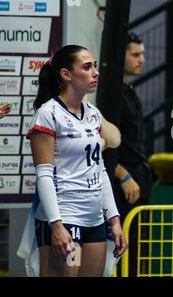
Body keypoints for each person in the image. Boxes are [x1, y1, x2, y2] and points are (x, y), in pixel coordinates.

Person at [22, 45, 126, 277]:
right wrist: (56, 225)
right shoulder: (48, 113)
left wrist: (114, 219)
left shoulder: (93, 113)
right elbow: (44, 175)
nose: (95, 73)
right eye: (87, 67)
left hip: (95, 220)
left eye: (95, 66)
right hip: (66, 219)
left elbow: (100, 170)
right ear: (66, 74)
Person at [114, 32, 152, 276]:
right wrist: (123, 175)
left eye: (143, 54)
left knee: (140, 245)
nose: (142, 60)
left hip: (138, 172)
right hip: (122, 177)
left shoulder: (129, 89)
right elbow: (103, 142)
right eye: (135, 54)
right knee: (124, 243)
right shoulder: (113, 94)